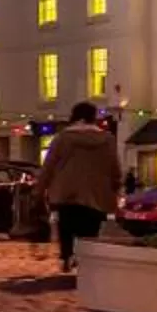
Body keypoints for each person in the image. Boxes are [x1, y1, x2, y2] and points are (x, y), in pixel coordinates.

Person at [38, 102, 121, 273]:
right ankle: (85, 259)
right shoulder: (107, 139)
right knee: (91, 228)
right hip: (97, 193)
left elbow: (49, 166)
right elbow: (114, 166)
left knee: (66, 225)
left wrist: (40, 188)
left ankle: (67, 255)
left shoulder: (62, 138)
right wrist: (115, 185)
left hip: (66, 191)